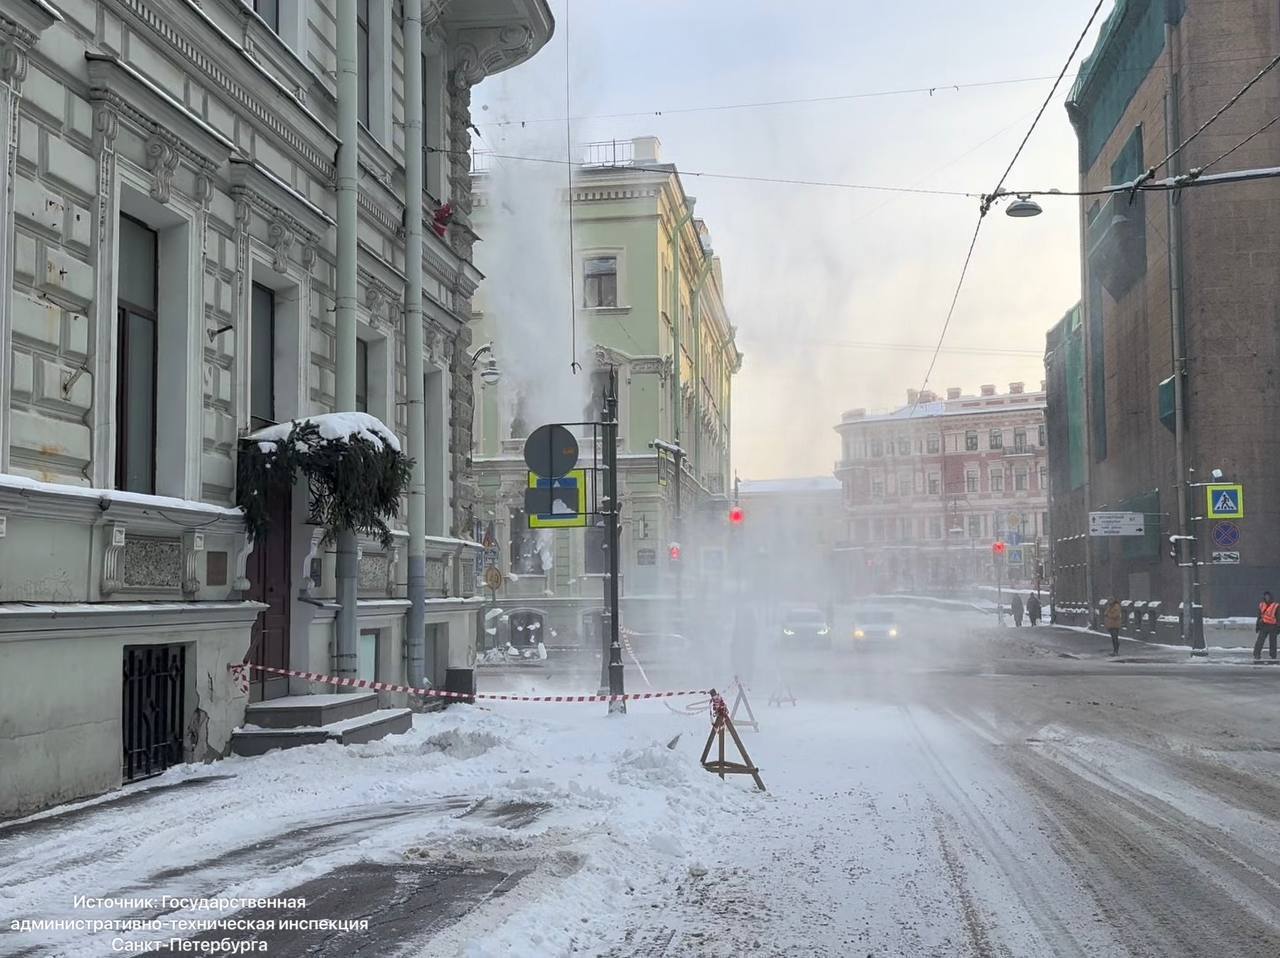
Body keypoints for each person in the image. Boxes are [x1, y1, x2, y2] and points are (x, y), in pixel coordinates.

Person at [1254, 591, 1279, 662]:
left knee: (1273, 642)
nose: (1267, 598)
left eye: (1268, 596)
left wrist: (1278, 627)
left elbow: (1278, 617)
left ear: (1271, 597)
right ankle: (1256, 654)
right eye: (1265, 596)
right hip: (1263, 625)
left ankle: (1273, 655)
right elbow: (1259, 616)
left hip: (1273, 626)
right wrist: (1257, 626)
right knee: (1260, 641)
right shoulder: (1261, 605)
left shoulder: (1275, 605)